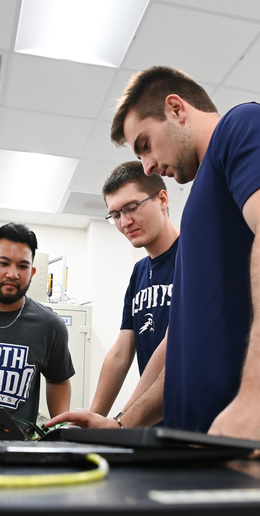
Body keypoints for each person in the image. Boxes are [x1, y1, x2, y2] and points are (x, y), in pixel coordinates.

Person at [49, 66, 260, 459]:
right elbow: (180, 342)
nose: (148, 167)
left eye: (145, 145)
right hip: (208, 446)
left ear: (176, 109)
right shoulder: (199, 207)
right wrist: (123, 424)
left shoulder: (247, 125)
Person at [89, 161, 179, 418]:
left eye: (131, 208)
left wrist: (124, 420)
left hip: (192, 418)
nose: (125, 222)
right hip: (151, 419)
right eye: (115, 215)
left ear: (162, 198)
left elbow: (173, 345)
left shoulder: (193, 256)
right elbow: (121, 353)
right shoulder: (139, 272)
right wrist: (93, 421)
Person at [0, 222, 74, 428]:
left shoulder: (49, 325)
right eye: (3, 263)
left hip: (16, 449)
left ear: (33, 271)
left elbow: (58, 379)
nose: (13, 274)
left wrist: (58, 432)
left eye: (22, 266)